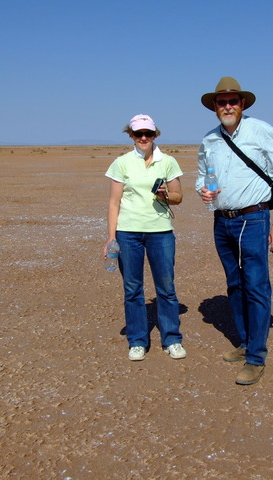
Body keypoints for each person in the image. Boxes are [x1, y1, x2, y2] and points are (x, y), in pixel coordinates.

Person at [196, 77, 273, 385]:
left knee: (256, 285)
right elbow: (203, 175)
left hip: (254, 219)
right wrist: (204, 192)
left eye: (233, 101)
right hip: (222, 220)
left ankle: (256, 357)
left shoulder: (261, 131)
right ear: (214, 107)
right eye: (221, 102)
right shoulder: (210, 140)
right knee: (234, 284)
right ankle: (244, 341)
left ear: (242, 104)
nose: (227, 106)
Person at [104, 114, 186, 361]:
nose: (143, 138)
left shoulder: (168, 162)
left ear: (155, 135)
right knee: (132, 288)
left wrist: (165, 195)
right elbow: (113, 202)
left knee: (167, 288)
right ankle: (137, 341)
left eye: (147, 134)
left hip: (160, 233)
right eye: (138, 134)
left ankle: (172, 339)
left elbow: (178, 197)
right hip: (128, 234)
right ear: (130, 135)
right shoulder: (122, 163)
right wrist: (110, 238)